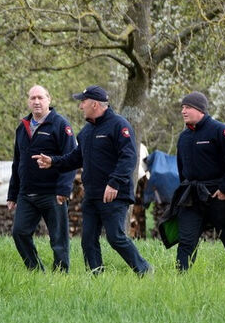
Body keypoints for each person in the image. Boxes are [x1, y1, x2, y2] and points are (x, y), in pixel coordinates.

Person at [34, 85, 151, 275]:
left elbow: (129, 157)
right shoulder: (86, 131)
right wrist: (53, 161)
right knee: (87, 240)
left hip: (114, 193)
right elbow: (75, 158)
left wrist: (114, 183)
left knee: (116, 238)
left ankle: (144, 270)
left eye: (83, 102)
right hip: (92, 195)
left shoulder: (119, 125)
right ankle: (95, 276)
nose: (80, 106)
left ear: (95, 104)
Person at [160, 91, 225, 272]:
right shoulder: (184, 137)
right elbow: (183, 169)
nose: (183, 111)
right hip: (192, 197)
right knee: (186, 240)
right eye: (182, 107)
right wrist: (185, 189)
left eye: (187, 107)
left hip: (217, 195)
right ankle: (179, 280)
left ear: (200, 110)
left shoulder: (219, 131)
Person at [7, 85, 76, 271]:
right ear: (28, 101)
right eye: (32, 98)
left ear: (49, 99)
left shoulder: (61, 125)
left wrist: (63, 189)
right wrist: (13, 194)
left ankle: (61, 275)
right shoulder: (22, 127)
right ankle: (36, 270)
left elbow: (71, 159)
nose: (36, 102)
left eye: (40, 98)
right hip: (26, 193)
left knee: (58, 239)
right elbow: (17, 163)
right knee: (19, 233)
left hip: (52, 193)